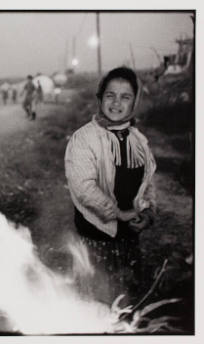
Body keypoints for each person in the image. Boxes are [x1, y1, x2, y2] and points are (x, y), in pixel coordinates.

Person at [64, 67, 157, 306]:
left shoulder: (139, 141)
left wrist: (147, 213)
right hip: (96, 241)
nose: (116, 103)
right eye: (110, 95)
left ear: (135, 101)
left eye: (125, 97)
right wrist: (121, 214)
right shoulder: (83, 139)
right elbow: (84, 189)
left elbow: (149, 182)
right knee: (96, 308)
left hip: (129, 242)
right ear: (100, 98)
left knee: (128, 307)